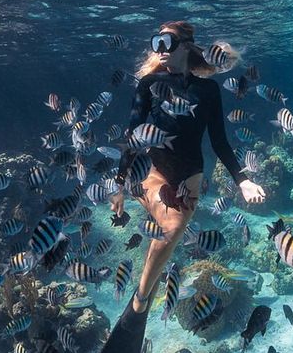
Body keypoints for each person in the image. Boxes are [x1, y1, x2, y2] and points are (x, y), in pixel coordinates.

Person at [111, 21, 265, 316]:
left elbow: (219, 141)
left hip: (189, 176)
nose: (160, 50)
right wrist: (119, 185)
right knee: (169, 230)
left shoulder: (208, 90)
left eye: (167, 43)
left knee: (172, 230)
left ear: (185, 46)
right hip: (153, 170)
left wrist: (242, 179)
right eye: (156, 43)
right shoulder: (149, 84)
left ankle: (151, 272)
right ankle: (141, 300)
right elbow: (132, 134)